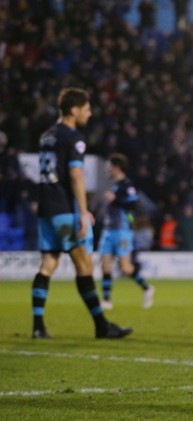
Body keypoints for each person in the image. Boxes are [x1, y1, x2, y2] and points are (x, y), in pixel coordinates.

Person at [31, 87, 132, 340]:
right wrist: (83, 212)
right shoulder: (73, 137)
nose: (90, 113)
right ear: (74, 110)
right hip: (64, 209)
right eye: (87, 108)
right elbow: (76, 175)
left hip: (45, 207)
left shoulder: (47, 136)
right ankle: (101, 326)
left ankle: (38, 326)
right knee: (84, 264)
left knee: (48, 264)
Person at [98, 153, 155, 310]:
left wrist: (115, 199)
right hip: (108, 230)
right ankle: (107, 300)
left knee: (125, 268)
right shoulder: (114, 185)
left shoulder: (126, 185)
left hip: (122, 231)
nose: (107, 169)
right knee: (105, 265)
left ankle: (147, 288)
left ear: (117, 167)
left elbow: (134, 204)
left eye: (109, 166)